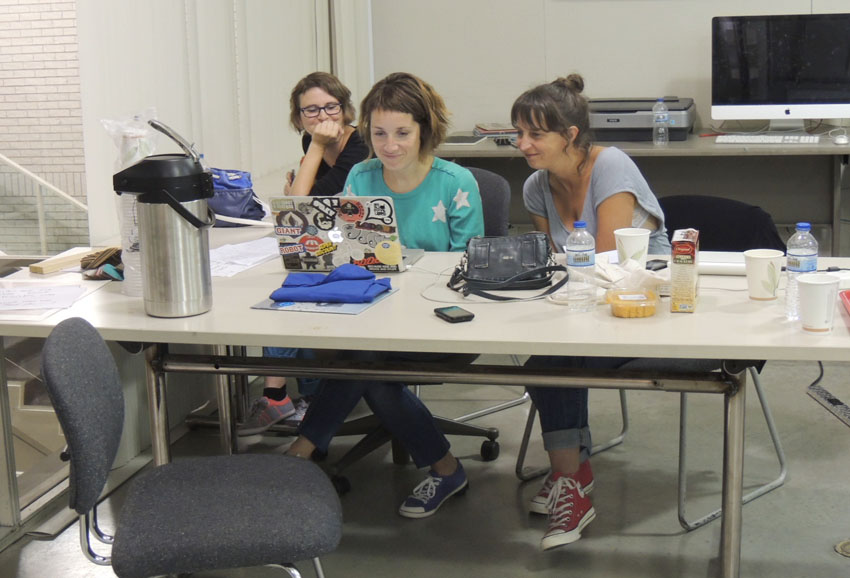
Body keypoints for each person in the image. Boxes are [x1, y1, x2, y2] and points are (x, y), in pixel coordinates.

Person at [285, 72, 484, 518]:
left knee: (366, 364)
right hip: (375, 313)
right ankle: (442, 466)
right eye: (378, 134)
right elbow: (352, 252)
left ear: (424, 131)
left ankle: (303, 450)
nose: (389, 145)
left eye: (402, 133)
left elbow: (467, 270)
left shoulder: (456, 184)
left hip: (438, 322)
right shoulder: (361, 174)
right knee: (364, 356)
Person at [511, 74, 671, 551]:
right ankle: (571, 477)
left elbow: (607, 261)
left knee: (550, 366)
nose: (523, 144)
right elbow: (553, 261)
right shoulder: (536, 188)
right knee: (549, 362)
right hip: (585, 305)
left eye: (535, 135)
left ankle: (571, 483)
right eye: (519, 133)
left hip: (644, 306)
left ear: (571, 136)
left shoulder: (611, 166)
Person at [240, 72, 369, 436]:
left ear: (346, 110)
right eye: (311, 110)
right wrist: (303, 183)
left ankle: (291, 395)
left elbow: (297, 203)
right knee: (288, 280)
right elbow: (300, 209)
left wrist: (311, 156)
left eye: (331, 106)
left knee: (299, 281)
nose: (322, 116)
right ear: (298, 117)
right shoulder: (312, 139)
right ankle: (285, 393)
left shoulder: (357, 146)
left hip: (364, 244)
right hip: (330, 240)